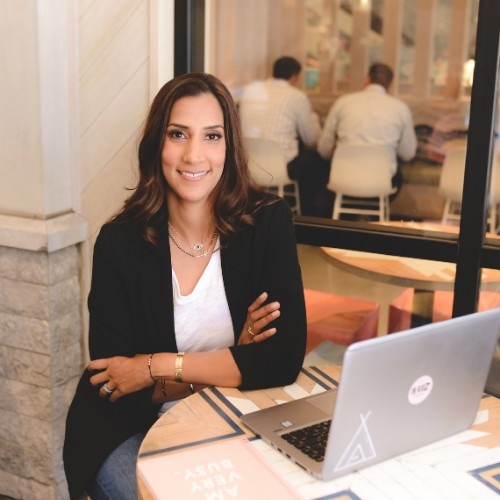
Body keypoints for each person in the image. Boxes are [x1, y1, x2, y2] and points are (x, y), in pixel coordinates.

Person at [63, 73, 307, 500]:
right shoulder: (119, 243)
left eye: (212, 136)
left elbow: (282, 360)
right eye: (178, 134)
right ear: (157, 144)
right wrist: (235, 357)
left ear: (229, 147)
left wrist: (152, 367)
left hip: (233, 417)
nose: (194, 154)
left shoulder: (267, 223)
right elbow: (117, 385)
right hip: (130, 429)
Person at [239, 56, 330, 216]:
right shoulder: (296, 96)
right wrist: (314, 118)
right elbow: (312, 139)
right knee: (318, 161)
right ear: (295, 76)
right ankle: (307, 216)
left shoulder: (252, 90)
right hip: (280, 168)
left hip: (247, 164)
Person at [317, 63, 417, 197]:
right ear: (390, 85)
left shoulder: (343, 102)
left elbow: (324, 149)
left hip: (342, 180)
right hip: (381, 184)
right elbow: (408, 153)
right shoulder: (400, 108)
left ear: (367, 79)